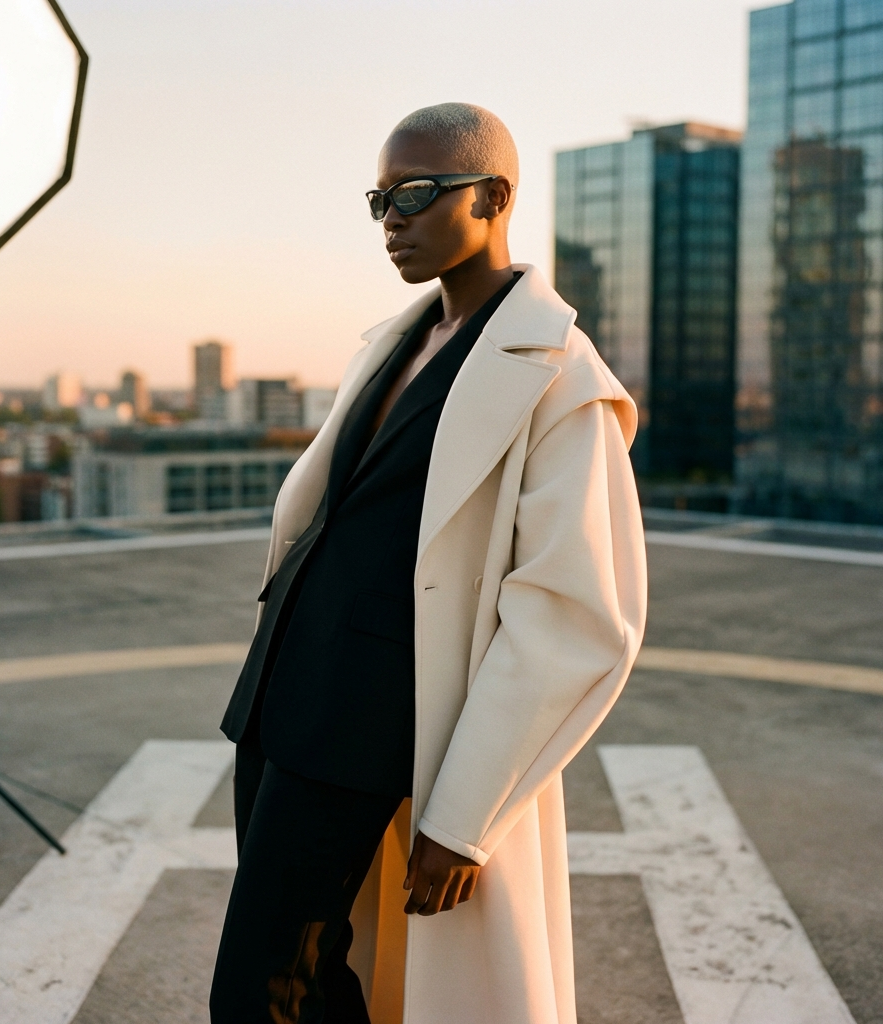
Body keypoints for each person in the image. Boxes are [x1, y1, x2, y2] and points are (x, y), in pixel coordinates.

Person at [210, 102, 646, 1024]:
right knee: (308, 966)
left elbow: (572, 613)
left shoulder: (560, 374)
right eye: (378, 201)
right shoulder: (392, 342)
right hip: (285, 697)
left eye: (414, 193)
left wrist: (465, 816)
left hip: (371, 721)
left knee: (256, 990)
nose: (391, 220)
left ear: (493, 196)